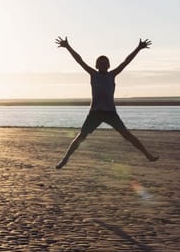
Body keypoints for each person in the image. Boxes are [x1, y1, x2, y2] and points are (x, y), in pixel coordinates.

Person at [55, 36, 159, 169]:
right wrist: (68, 46)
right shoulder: (93, 74)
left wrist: (138, 48)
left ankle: (148, 155)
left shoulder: (112, 75)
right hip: (95, 112)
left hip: (110, 112)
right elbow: (79, 60)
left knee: (127, 135)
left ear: (109, 65)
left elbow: (126, 62)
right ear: (96, 65)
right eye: (101, 63)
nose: (103, 65)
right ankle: (65, 159)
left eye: (105, 63)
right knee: (81, 136)